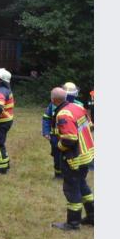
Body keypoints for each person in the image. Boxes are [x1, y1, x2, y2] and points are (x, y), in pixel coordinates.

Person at [49, 87, 94, 230]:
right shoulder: (77, 107)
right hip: (87, 154)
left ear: (54, 100)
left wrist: (59, 146)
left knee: (71, 189)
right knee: (82, 185)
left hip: (75, 158)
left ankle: (73, 223)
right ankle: (93, 217)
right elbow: (90, 125)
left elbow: (69, 139)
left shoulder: (63, 114)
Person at [42, 82, 85, 178]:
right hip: (55, 137)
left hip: (73, 138)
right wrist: (46, 131)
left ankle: (72, 173)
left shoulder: (79, 106)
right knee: (57, 156)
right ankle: (58, 174)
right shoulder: (53, 105)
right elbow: (46, 118)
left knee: (72, 155)